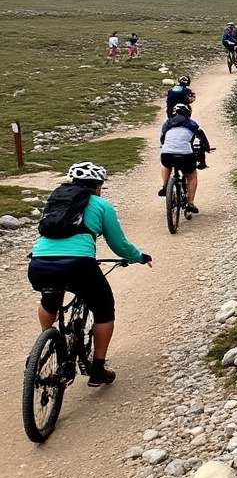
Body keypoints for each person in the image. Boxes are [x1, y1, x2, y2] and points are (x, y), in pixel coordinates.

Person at [28, 161, 152, 387]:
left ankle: (47, 345)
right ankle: (97, 370)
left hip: (39, 264)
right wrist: (139, 257)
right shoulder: (100, 205)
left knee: (50, 299)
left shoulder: (55, 202)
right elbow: (119, 245)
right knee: (104, 308)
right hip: (78, 266)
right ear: (97, 186)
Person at [159, 103, 212, 213]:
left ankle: (165, 186)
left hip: (166, 153)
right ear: (188, 112)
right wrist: (206, 148)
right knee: (192, 175)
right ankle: (190, 203)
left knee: (166, 165)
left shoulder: (167, 123)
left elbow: (162, 138)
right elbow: (202, 139)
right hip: (185, 155)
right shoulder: (191, 124)